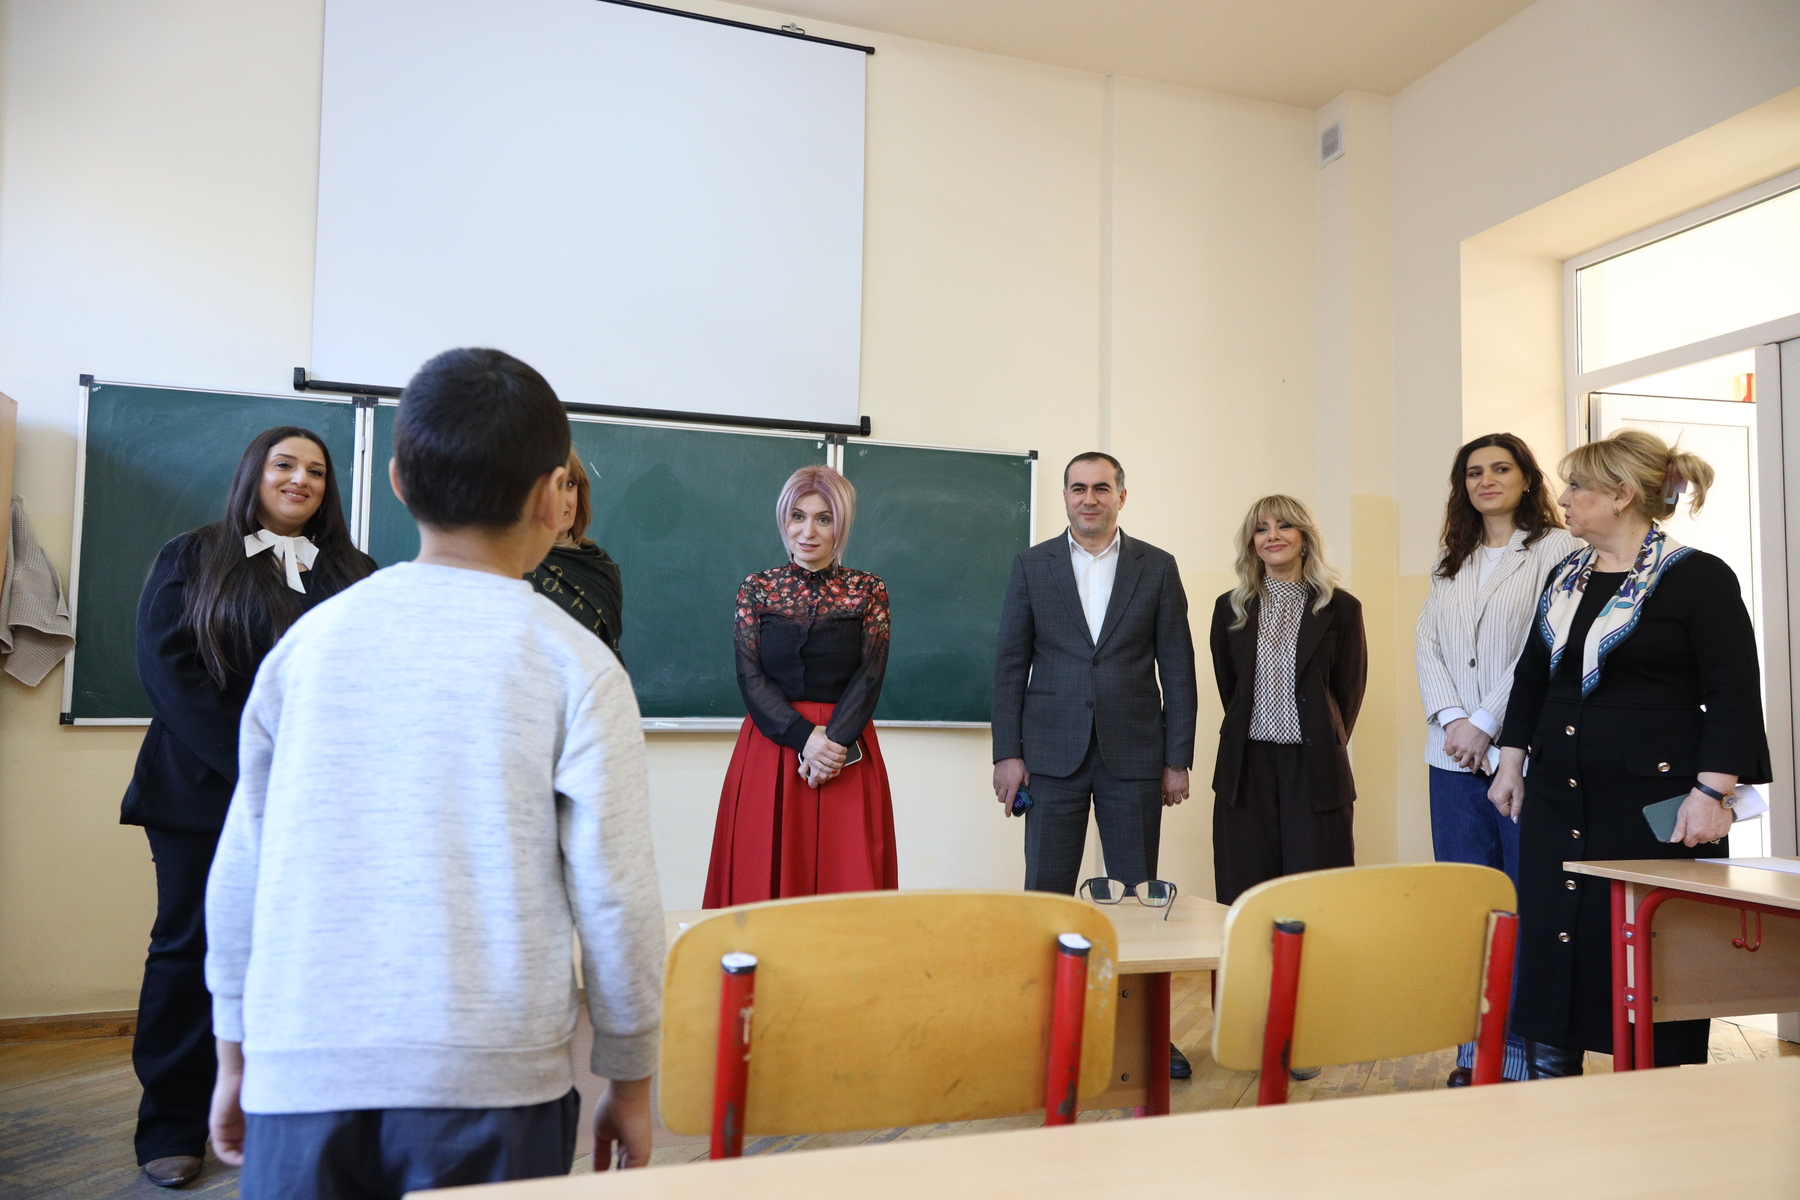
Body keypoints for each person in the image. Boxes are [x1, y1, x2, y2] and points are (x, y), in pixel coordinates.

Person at [204, 348, 663, 1197]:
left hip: (303, 1063)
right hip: (494, 1083)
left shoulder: (307, 647)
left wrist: (233, 1048)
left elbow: (242, 866)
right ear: (551, 494)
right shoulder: (576, 664)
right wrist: (629, 1078)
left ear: (397, 482)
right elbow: (618, 892)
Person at [122, 427, 374, 1188]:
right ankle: (171, 1124)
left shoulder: (356, 573)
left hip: (316, 799)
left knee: (302, 955)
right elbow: (168, 672)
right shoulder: (192, 556)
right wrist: (262, 769)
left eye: (317, 472)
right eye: (284, 465)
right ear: (253, 475)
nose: (301, 480)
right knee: (189, 948)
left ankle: (276, 1111)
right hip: (202, 791)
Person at [1490, 428, 1769, 1079]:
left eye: (1577, 486)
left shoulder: (1697, 577)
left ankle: (1657, 1105)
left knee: (1653, 960)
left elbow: (1733, 692)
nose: (1563, 498)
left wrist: (1713, 793)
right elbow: (1533, 677)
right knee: (1556, 948)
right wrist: (1511, 761)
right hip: (1559, 798)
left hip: (1655, 809)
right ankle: (1552, 1088)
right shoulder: (1566, 577)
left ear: (1621, 494)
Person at [991, 452, 1196, 1076]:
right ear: (1065, 496)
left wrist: (1178, 758)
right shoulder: (1032, 566)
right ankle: (1044, 1029)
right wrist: (1007, 753)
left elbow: (1178, 670)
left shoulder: (1157, 567)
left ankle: (1142, 1036)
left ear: (1121, 496)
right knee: (1047, 896)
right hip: (1049, 756)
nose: (1089, 498)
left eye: (1101, 488)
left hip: (1134, 755)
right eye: (1078, 488)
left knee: (1136, 899)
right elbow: (1009, 667)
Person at [1415, 433, 1576, 1086]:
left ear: (1526, 479)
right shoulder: (1450, 559)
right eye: (1474, 472)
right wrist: (1453, 719)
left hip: (1520, 755)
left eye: (1500, 469)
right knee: (1468, 909)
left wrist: (1484, 721)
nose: (1486, 480)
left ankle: (1520, 1052)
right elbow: (1427, 643)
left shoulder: (1558, 550)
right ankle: (1472, 1051)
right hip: (1450, 758)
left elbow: (1544, 646)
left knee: (1524, 904)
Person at [703, 465, 896, 905]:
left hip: (845, 750)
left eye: (823, 519)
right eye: (798, 516)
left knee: (848, 879)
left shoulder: (868, 590)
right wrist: (805, 739)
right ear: (784, 520)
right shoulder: (757, 588)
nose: (808, 531)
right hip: (772, 745)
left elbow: (870, 674)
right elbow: (750, 675)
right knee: (761, 878)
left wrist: (832, 747)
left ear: (840, 525)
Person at [1209, 495, 1365, 907]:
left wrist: (1319, 733)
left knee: (1315, 893)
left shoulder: (1341, 608)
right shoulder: (1230, 608)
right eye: (1261, 529)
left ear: (1305, 537)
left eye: (1284, 526)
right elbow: (1231, 689)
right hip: (1246, 768)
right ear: (1252, 543)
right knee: (1246, 891)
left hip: (1314, 769)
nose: (1272, 536)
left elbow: (1348, 692)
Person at [528, 448, 624, 653]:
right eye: (548, 486)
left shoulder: (601, 566)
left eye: (569, 485)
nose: (562, 499)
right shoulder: (515, 567)